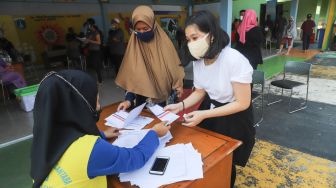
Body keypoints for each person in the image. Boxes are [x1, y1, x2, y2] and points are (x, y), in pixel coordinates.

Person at [30, 70, 170, 188]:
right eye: (95, 100)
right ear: (79, 105)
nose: (98, 106)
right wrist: (154, 133)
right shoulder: (91, 150)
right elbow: (135, 158)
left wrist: (102, 134)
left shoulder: (44, 139)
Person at [165, 10, 255, 188]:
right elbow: (199, 92)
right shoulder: (200, 61)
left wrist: (203, 114)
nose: (191, 43)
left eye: (195, 37)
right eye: (189, 39)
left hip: (234, 114)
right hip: (210, 109)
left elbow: (242, 103)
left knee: (227, 159)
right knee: (207, 153)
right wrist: (180, 105)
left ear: (211, 36)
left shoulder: (234, 60)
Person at [116, 5, 184, 111]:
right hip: (141, 105)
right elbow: (131, 80)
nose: (142, 32)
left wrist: (178, 86)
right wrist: (128, 101)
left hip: (164, 103)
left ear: (153, 26)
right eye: (138, 29)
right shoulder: (133, 49)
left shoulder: (165, 45)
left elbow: (175, 73)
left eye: (145, 28)